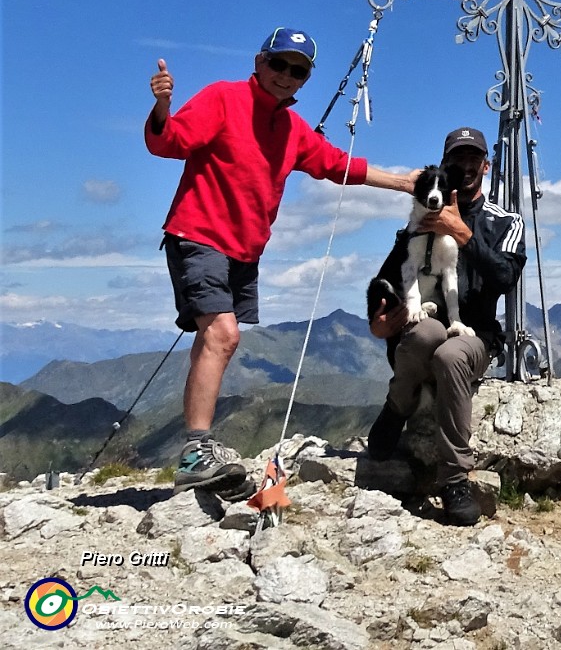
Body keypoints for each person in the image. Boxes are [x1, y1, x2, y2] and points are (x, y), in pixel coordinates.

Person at [146, 28, 419, 494]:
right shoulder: (222, 98)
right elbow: (168, 143)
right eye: (280, 64)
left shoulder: (292, 131)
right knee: (223, 334)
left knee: (214, 340)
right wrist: (162, 107)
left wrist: (402, 182)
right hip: (198, 235)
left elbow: (339, 165)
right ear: (260, 61)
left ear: (305, 78)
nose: (286, 76)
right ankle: (195, 451)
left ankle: (197, 451)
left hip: (243, 252)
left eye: (299, 71)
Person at [365, 126, 525, 526]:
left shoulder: (506, 222)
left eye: (474, 160)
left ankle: (454, 478)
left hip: (477, 335)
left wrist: (461, 232)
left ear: (486, 166)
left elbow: (506, 278)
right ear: (445, 167)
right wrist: (380, 320)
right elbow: (393, 276)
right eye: (458, 160)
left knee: (451, 354)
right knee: (421, 336)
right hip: (427, 320)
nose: (466, 167)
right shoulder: (421, 219)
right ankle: (398, 405)